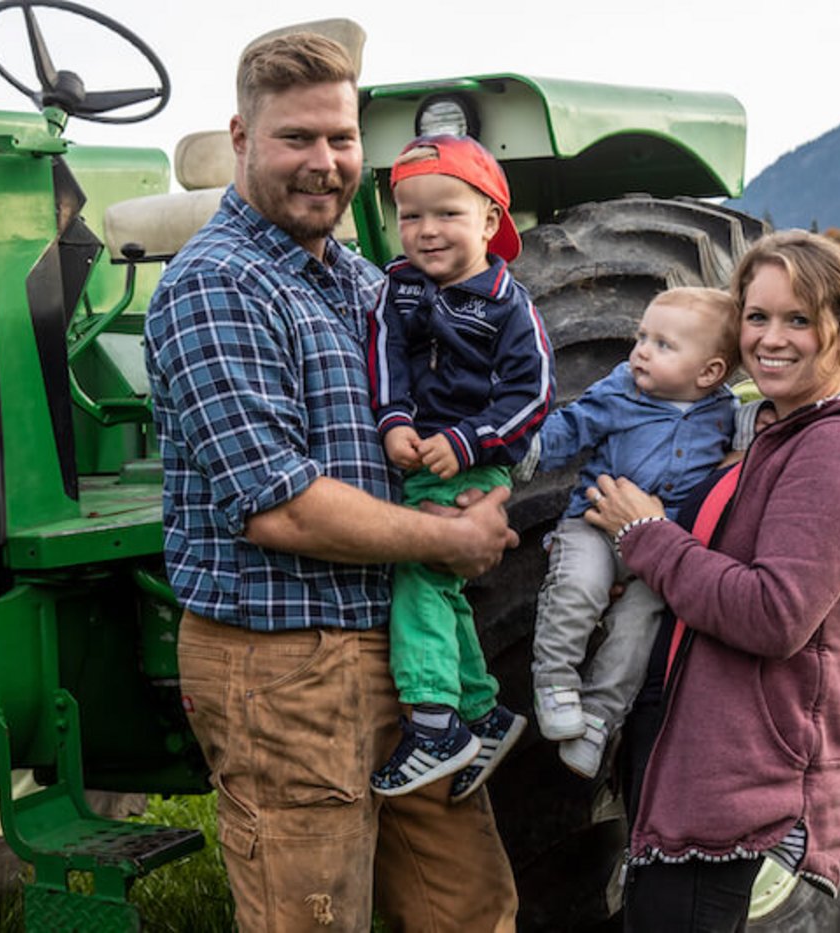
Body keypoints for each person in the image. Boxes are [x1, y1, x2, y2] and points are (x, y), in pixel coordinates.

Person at [143, 31, 519, 933]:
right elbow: (279, 507)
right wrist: (452, 538)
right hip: (286, 666)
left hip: (401, 642)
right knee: (312, 919)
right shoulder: (218, 286)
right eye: (296, 139)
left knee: (468, 905)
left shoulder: (361, 280)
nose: (325, 164)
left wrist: (484, 485)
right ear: (241, 135)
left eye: (342, 140)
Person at [582, 230, 840, 931]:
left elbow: (775, 612)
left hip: (748, 792)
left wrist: (646, 537)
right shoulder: (770, 430)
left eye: (798, 319)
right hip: (700, 769)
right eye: (757, 317)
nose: (772, 338)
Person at [366, 134, 553, 799]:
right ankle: (483, 713)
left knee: (418, 576)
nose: (426, 230)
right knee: (443, 594)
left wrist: (470, 442)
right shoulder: (399, 286)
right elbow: (385, 357)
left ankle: (434, 724)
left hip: (475, 462)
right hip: (419, 454)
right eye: (410, 215)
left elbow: (531, 395)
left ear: (491, 221)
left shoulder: (508, 304)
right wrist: (392, 421)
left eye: (447, 213)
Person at [518, 287, 739, 778]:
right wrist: (523, 452)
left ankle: (599, 716)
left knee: (640, 625)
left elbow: (752, 448)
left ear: (709, 373)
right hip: (594, 526)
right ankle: (555, 681)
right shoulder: (621, 389)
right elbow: (573, 426)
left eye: (663, 344)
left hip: (658, 548)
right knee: (579, 588)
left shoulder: (726, 415)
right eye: (642, 336)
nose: (641, 349)